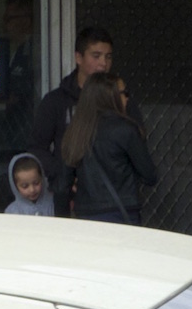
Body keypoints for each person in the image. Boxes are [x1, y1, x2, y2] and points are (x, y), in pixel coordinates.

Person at [28, 24, 144, 206]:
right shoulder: (56, 101)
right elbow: (38, 147)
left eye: (108, 57)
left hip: (113, 198)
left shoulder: (121, 99)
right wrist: (63, 176)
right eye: (96, 56)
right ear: (78, 57)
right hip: (68, 197)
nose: (103, 64)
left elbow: (138, 141)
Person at [56, 73, 156, 225]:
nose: (128, 98)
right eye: (124, 93)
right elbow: (150, 176)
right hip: (121, 212)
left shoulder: (75, 132)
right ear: (111, 97)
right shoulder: (126, 129)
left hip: (86, 214)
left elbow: (62, 186)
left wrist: (61, 222)